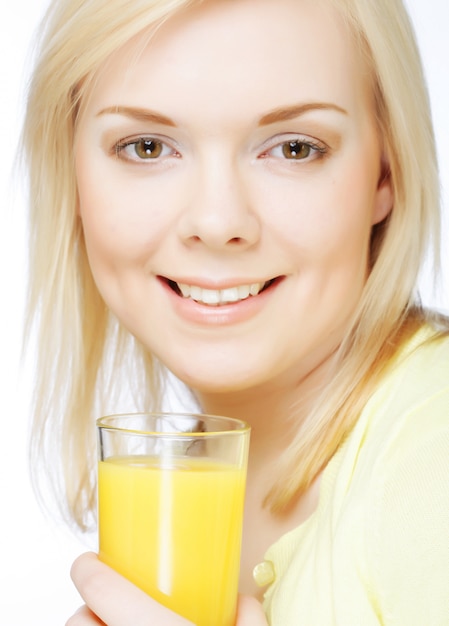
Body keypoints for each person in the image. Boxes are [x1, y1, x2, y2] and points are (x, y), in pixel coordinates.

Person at [22, 0, 449, 623]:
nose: (218, 222)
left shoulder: (432, 460)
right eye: (146, 146)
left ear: (386, 171)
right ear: (73, 174)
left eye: (295, 148)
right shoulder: (194, 478)